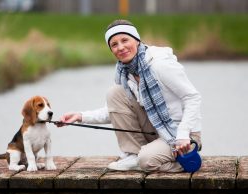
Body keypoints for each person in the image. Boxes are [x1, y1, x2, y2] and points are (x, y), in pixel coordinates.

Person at [57, 19, 202, 172]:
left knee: (147, 161)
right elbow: (115, 111)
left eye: (125, 40)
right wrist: (80, 116)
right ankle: (133, 156)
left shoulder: (160, 65)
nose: (121, 47)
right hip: (155, 129)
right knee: (115, 93)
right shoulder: (123, 73)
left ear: (137, 40)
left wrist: (184, 134)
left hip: (181, 134)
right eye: (114, 44)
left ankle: (179, 163)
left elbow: (192, 97)